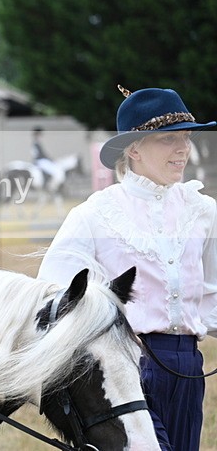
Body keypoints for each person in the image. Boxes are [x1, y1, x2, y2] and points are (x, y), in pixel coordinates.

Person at [37, 86, 217, 450]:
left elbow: (213, 293)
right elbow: (51, 294)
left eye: (186, 137)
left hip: (187, 367)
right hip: (121, 367)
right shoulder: (94, 215)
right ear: (134, 149)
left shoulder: (204, 211)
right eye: (168, 139)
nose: (183, 148)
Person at [31, 126, 65, 191]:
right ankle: (52, 186)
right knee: (55, 170)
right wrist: (50, 159)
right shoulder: (36, 144)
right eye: (40, 134)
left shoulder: (37, 143)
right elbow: (41, 154)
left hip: (41, 160)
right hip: (41, 161)